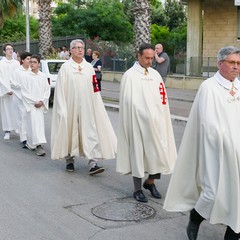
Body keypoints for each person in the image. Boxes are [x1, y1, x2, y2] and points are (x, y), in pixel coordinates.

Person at [163, 46, 240, 240]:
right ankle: (195, 218)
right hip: (217, 150)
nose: (236, 67)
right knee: (212, 193)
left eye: (238, 63)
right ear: (220, 63)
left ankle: (233, 232)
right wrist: (227, 141)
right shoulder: (209, 87)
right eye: (232, 62)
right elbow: (208, 123)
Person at [116, 43, 177, 203]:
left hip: (156, 122)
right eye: (147, 58)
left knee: (158, 152)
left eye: (152, 58)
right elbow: (128, 102)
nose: (150, 61)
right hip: (138, 123)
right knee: (138, 155)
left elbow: (163, 98)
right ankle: (137, 189)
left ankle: (150, 182)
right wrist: (142, 117)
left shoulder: (155, 75)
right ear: (139, 56)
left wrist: (161, 117)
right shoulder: (130, 76)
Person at [51, 39, 117, 175]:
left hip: (87, 106)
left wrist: (96, 104)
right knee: (71, 132)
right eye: (77, 47)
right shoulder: (65, 68)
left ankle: (93, 163)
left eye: (82, 47)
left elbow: (95, 87)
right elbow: (60, 90)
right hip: (70, 105)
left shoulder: (88, 68)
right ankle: (69, 160)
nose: (80, 50)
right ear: (71, 50)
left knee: (90, 131)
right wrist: (62, 108)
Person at [21, 55, 50, 156]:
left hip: (40, 105)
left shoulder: (42, 76)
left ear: (39, 64)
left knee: (39, 125)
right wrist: (34, 102)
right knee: (31, 124)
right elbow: (24, 92)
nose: (32, 64)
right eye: (31, 62)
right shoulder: (26, 76)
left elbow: (47, 90)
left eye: (34, 62)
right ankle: (32, 143)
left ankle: (39, 145)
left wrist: (42, 101)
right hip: (31, 105)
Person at [10, 51, 32, 147]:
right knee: (22, 118)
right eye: (28, 59)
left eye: (31, 59)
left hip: (31, 99)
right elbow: (13, 84)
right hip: (21, 98)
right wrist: (23, 87)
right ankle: (23, 138)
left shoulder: (32, 70)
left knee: (30, 118)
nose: (30, 61)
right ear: (22, 60)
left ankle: (31, 137)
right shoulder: (17, 72)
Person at [0, 43, 20, 140]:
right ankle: (7, 131)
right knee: (6, 111)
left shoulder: (16, 63)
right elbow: (1, 78)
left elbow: (18, 77)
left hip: (16, 90)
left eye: (11, 49)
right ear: (4, 51)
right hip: (6, 91)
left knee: (16, 110)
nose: (10, 51)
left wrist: (15, 88)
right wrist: (7, 89)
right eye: (8, 49)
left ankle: (17, 128)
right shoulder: (1, 63)